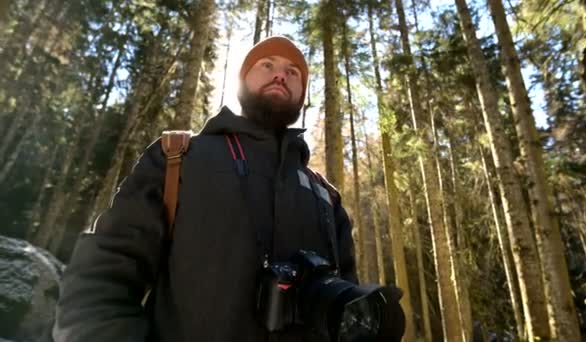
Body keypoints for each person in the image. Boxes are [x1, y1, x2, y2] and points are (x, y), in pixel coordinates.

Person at [52, 36, 359, 342]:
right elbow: (102, 276)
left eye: (293, 72)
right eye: (267, 65)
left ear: (302, 94)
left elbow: (349, 308)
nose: (280, 74)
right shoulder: (178, 158)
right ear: (241, 81)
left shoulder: (326, 197)